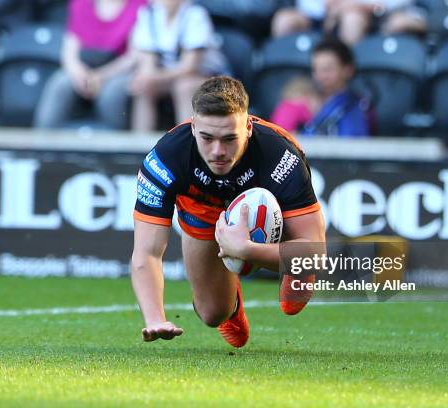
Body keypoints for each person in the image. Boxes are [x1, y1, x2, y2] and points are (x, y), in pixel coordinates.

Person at [131, 76, 325, 348]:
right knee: (212, 313)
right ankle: (232, 306)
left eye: (229, 138)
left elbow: (316, 254)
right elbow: (146, 253)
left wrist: (245, 250)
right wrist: (154, 318)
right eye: (207, 138)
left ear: (247, 127)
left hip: (270, 207)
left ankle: (291, 271)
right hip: (203, 206)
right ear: (193, 126)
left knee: (303, 265)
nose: (218, 151)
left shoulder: (279, 153)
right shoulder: (166, 158)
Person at [34, 0, 146, 129]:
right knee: (60, 83)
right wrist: (78, 72)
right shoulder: (80, 3)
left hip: (119, 71)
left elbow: (134, 56)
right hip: (84, 68)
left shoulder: (139, 5)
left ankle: (117, 146)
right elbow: (69, 51)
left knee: (112, 94)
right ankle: (42, 143)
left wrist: (101, 76)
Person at [129, 0, 230, 131]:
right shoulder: (148, 14)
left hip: (208, 77)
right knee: (145, 87)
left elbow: (189, 67)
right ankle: (142, 144)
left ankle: (187, 143)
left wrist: (152, 77)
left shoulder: (196, 15)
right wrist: (145, 78)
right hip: (169, 77)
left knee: (184, 87)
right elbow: (148, 63)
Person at [301, 38, 371, 137]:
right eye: (316, 69)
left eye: (327, 69)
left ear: (348, 70)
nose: (320, 76)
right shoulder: (308, 103)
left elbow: (352, 146)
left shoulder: (356, 107)